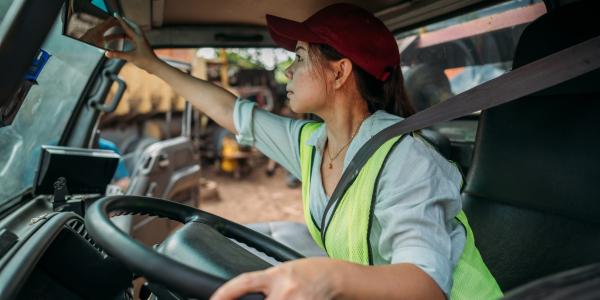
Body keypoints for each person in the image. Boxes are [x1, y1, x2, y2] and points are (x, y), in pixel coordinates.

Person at [106, 3, 502, 299]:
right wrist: (151, 64)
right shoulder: (313, 143)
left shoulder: (406, 160)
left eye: (297, 57)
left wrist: (326, 277)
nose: (286, 72)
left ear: (339, 71)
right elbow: (229, 110)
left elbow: (427, 285)